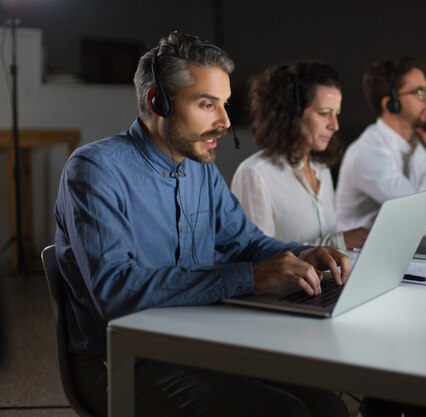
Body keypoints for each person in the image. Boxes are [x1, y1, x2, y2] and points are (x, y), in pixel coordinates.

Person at [54, 31, 351, 417]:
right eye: (207, 104)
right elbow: (115, 293)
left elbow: (246, 243)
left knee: (328, 406)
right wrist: (247, 277)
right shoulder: (96, 170)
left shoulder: (199, 168)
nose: (226, 122)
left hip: (195, 341)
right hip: (122, 360)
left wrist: (304, 254)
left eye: (225, 105)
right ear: (157, 102)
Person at [231, 61, 368, 250]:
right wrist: (337, 243)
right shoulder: (254, 174)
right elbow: (256, 259)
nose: (334, 125)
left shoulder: (321, 168)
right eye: (324, 113)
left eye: (336, 114)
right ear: (291, 114)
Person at [336, 56, 426, 231]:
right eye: (420, 92)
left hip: (393, 247)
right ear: (391, 104)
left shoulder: (411, 143)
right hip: (357, 256)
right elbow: (421, 216)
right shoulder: (367, 152)